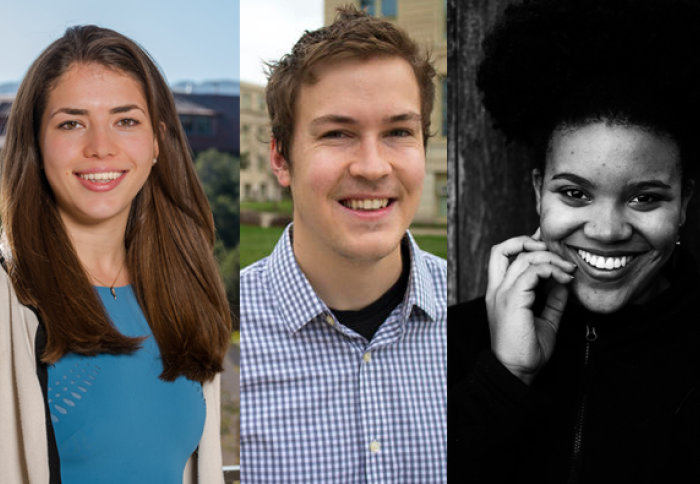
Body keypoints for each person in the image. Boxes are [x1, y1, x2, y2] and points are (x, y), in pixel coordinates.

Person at [449, 0, 700, 482]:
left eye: (645, 198)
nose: (606, 231)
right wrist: (503, 380)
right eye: (574, 193)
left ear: (684, 204)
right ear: (537, 191)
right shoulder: (454, 346)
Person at [0, 26, 232, 483]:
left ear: (157, 143)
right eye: (71, 123)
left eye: (125, 120)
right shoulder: (9, 297)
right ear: (35, 143)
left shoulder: (186, 290)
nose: (100, 147)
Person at [240, 7, 446, 482]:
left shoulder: (484, 320)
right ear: (281, 157)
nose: (373, 167)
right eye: (338, 133)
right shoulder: (223, 331)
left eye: (398, 132)